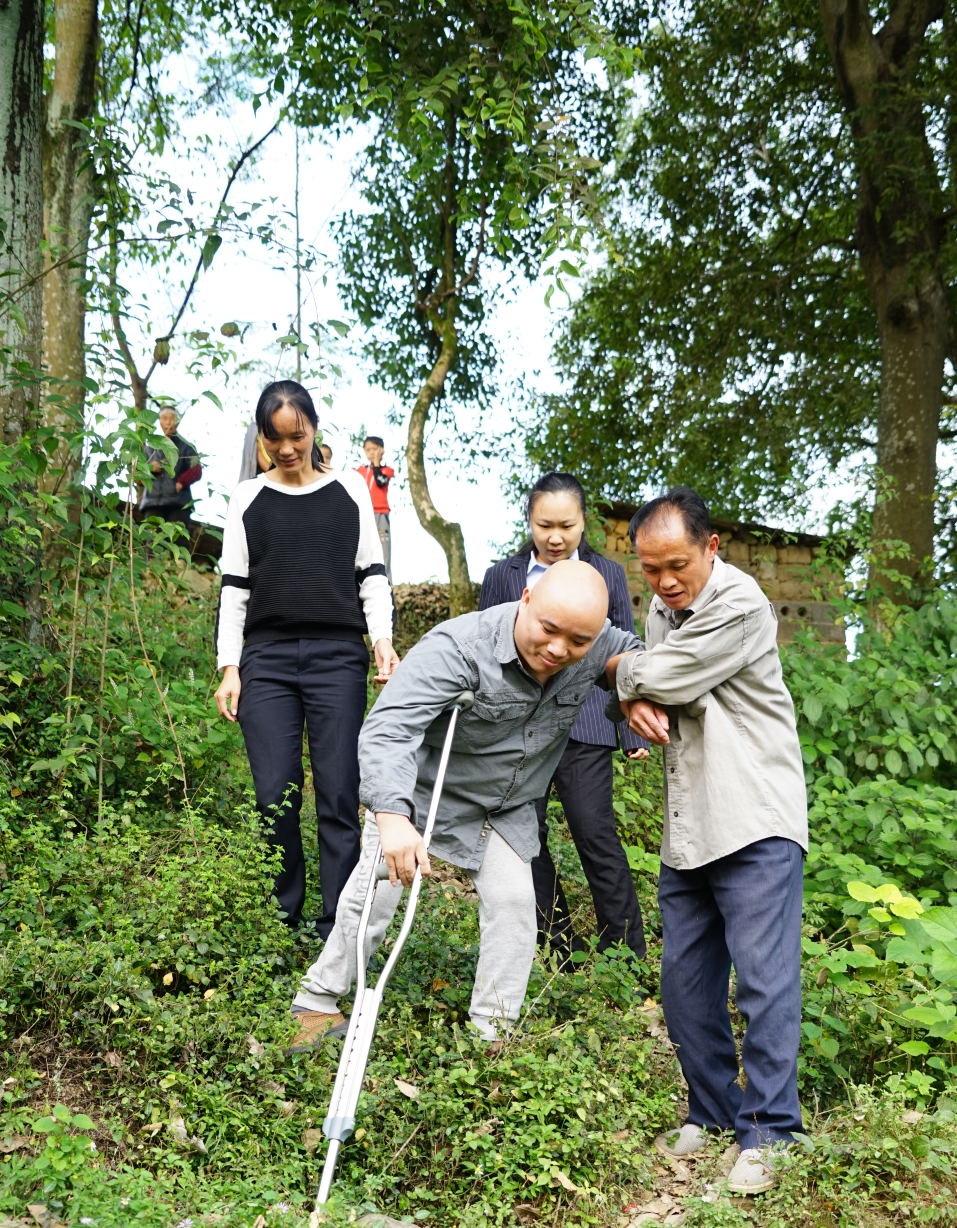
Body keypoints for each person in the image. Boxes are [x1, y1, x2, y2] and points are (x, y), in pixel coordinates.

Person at [290, 560, 643, 1052]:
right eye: (548, 629)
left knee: (516, 905)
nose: (559, 649)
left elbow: (629, 653)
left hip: (505, 806)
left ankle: (488, 1039)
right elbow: (389, 728)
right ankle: (317, 1000)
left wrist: (635, 692)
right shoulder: (457, 647)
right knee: (377, 892)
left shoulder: (592, 641)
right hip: (425, 795)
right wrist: (392, 817)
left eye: (578, 642)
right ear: (525, 600)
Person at [610, 487, 809, 1196]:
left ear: (711, 548)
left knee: (763, 980)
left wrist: (621, 677)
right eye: (650, 569)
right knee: (686, 982)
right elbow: (659, 688)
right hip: (691, 823)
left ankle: (772, 1131)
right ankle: (714, 1113)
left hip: (753, 817)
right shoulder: (665, 609)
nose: (664, 582)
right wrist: (636, 700)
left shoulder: (742, 604)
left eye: (678, 564)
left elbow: (662, 674)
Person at [214, 379, 399, 942]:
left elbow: (371, 574)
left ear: (314, 428)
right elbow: (235, 589)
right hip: (266, 659)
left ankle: (336, 930)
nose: (288, 449)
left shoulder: (348, 492)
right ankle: (283, 919)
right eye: (276, 440)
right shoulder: (248, 499)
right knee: (275, 793)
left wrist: (381, 639)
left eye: (297, 436)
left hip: (337, 658)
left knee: (339, 793)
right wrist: (230, 666)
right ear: (263, 440)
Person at [480, 473, 649, 965]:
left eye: (567, 526)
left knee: (595, 836)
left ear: (583, 523)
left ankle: (625, 956)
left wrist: (631, 723)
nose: (555, 538)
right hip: (518, 732)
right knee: (522, 840)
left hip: (587, 726)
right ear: (529, 521)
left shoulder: (609, 573)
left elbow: (626, 648)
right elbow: (487, 651)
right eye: (544, 525)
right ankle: (559, 950)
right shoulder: (502, 577)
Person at [142, 407, 202, 524]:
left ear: (178, 422)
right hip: (152, 501)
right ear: (159, 422)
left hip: (178, 501)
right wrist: (148, 469)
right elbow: (138, 480)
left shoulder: (186, 447)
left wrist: (181, 482)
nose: (168, 422)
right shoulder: (150, 448)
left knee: (179, 539)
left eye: (172, 419)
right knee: (151, 538)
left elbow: (196, 469)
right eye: (164, 419)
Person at [356, 435, 394, 580]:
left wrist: (377, 464)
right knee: (363, 550)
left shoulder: (387, 471)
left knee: (384, 550)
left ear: (382, 450)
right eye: (368, 450)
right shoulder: (359, 471)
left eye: (375, 449)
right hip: (364, 515)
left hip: (381, 514)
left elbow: (380, 482)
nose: (371, 453)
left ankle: (387, 582)